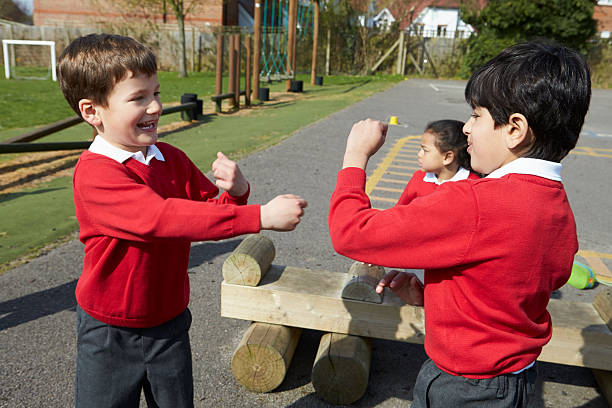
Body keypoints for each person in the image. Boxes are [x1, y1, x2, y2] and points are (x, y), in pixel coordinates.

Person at [328, 41, 590, 407]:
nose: (466, 128)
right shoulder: (555, 203)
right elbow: (519, 286)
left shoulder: (474, 201)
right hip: (518, 382)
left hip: (463, 388)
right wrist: (436, 296)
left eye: (477, 115)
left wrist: (355, 157)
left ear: (515, 129)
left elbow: (350, 232)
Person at [58, 33, 307, 408]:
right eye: (138, 98)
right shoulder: (96, 174)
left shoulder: (168, 158)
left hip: (168, 323)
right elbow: (160, 219)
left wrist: (237, 192)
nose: (155, 106)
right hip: (110, 331)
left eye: (156, 93)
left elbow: (208, 210)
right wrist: (259, 216)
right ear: (92, 111)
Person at [397, 119, 480, 205]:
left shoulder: (473, 186)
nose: (419, 154)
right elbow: (399, 210)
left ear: (447, 157)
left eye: (425, 150)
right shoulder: (418, 177)